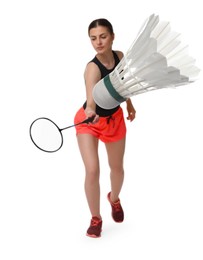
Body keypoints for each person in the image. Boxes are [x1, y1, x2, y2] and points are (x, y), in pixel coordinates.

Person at [74, 18, 136, 238]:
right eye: (93, 38)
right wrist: (91, 111)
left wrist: (129, 104)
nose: (98, 42)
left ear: (112, 36)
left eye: (102, 36)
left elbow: (124, 85)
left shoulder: (120, 57)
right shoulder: (92, 68)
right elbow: (91, 101)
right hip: (89, 121)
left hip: (114, 120)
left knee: (117, 169)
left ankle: (114, 199)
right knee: (92, 170)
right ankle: (96, 218)